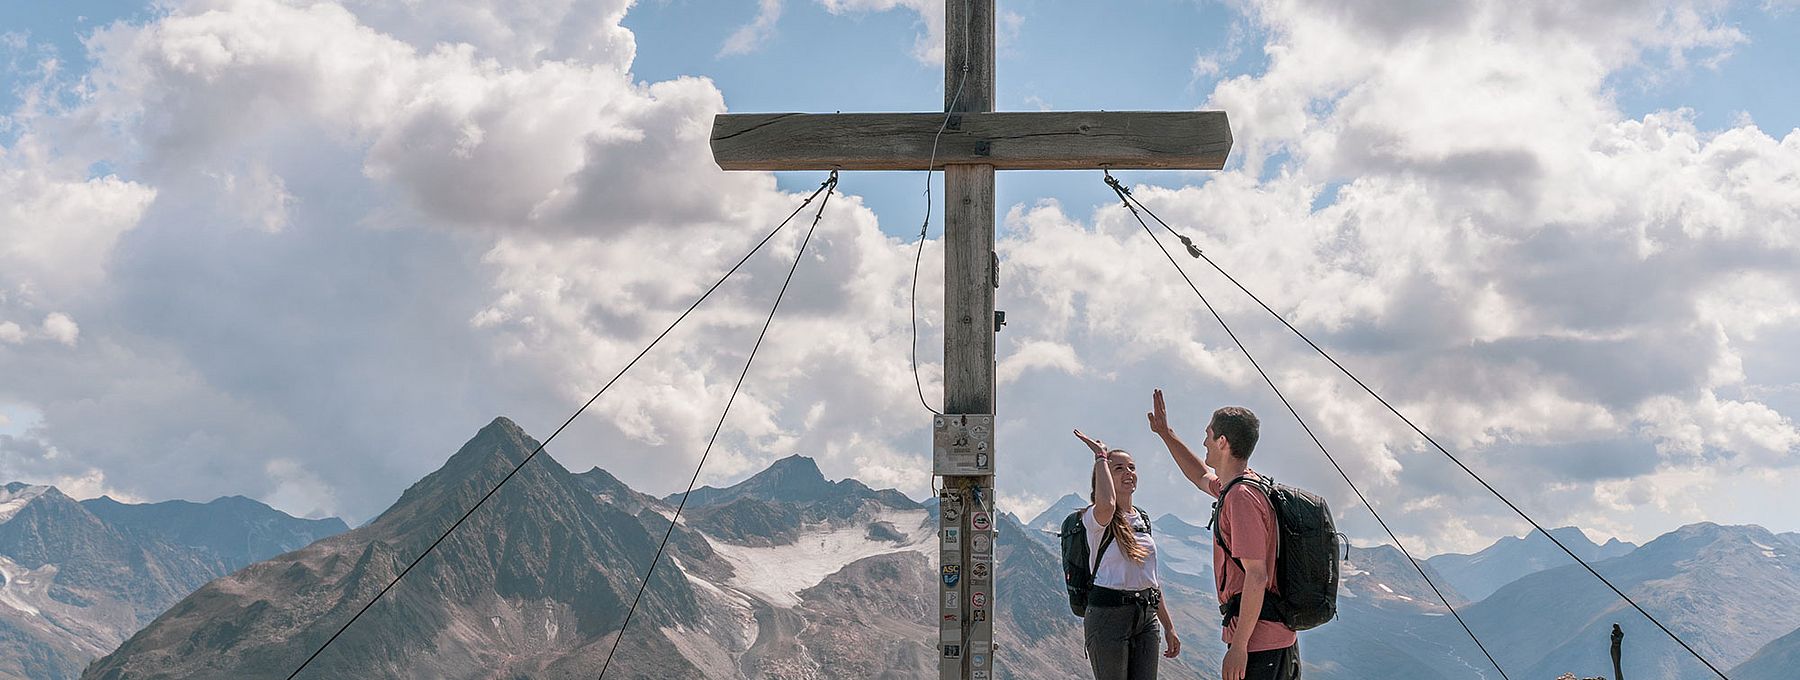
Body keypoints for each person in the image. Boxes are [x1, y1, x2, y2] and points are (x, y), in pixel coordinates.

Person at [1148, 390, 1301, 680]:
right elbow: (1199, 475)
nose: (1204, 442)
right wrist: (1166, 434)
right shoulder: (1242, 485)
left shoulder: (1241, 497)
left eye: (1208, 434)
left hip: (1259, 645)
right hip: (1271, 639)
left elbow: (1257, 575)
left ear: (1222, 442)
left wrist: (1240, 647)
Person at [1073, 428, 1181, 680]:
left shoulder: (1142, 519)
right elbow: (1108, 504)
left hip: (1146, 615)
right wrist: (1100, 457)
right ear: (1105, 478)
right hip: (1108, 615)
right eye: (1119, 468)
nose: (1129, 473)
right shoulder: (1096, 518)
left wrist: (1169, 626)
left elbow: (1151, 580)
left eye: (1131, 467)